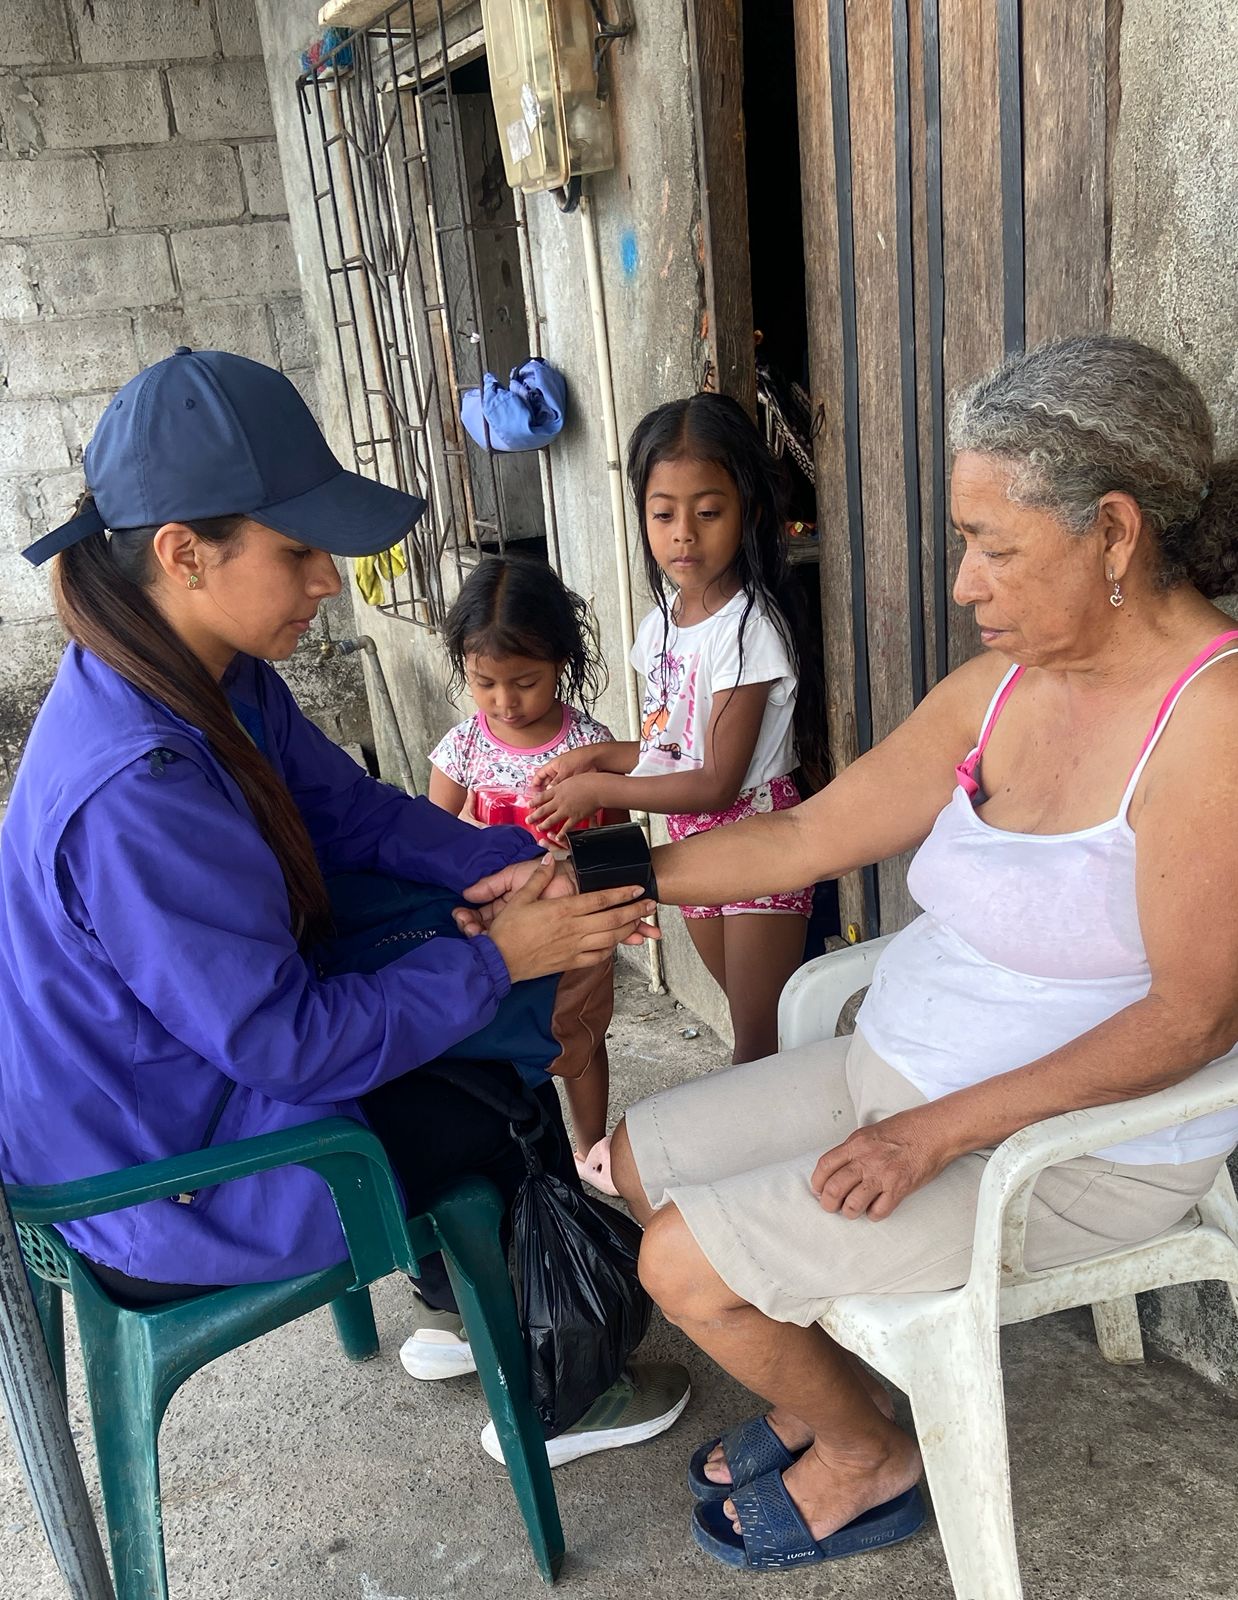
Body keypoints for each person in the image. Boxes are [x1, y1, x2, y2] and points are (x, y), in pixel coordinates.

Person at [598, 335, 1237, 1568]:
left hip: (1065, 1149)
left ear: (1111, 533)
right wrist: (603, 875)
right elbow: (804, 834)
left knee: (678, 1263)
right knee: (635, 1161)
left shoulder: (1210, 724)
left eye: (992, 546)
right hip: (899, 1065)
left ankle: (868, 1455)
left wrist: (930, 1133)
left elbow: (1193, 1020)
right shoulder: (1001, 686)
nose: (962, 584)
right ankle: (827, 1391)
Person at [0, 348, 688, 1465]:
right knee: (499, 1077)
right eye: (296, 550)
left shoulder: (205, 673)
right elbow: (288, 1045)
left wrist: (502, 864)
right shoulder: (135, 792)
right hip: (163, 1173)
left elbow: (354, 815)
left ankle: (479, 1297)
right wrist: (500, 960)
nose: (328, 579)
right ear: (182, 553)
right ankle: (555, 1377)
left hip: (179, 1079)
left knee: (473, 962)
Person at [529, 393, 821, 1066]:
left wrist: (601, 785)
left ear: (748, 510)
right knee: (746, 1024)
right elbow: (674, 750)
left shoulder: (747, 630)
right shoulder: (661, 623)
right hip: (690, 839)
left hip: (756, 836)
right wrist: (598, 757)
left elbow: (717, 780)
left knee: (756, 1044)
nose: (684, 533)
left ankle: (771, 1130)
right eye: (664, 514)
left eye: (708, 512)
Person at [428, 555, 621, 1193]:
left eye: (525, 682)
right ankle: (528, 1157)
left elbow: (614, 841)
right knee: (505, 1044)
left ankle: (591, 1152)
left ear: (561, 661)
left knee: (580, 1038)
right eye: (484, 683)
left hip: (576, 930)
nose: (505, 701)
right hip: (494, 936)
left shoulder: (587, 747)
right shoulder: (463, 748)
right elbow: (429, 841)